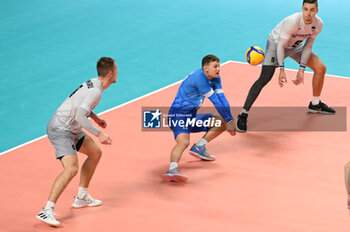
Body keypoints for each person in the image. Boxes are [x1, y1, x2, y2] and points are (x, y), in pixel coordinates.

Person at [36, 57, 117, 227]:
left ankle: (81, 197)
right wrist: (99, 133)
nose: (117, 73)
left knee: (95, 153)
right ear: (110, 73)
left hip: (71, 127)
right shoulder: (96, 91)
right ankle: (47, 210)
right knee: (71, 168)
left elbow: (81, 106)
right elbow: (80, 116)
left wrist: (95, 118)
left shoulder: (94, 83)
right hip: (60, 128)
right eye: (116, 70)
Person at [236, 0, 335, 133]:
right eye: (305, 9)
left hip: (296, 46)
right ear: (302, 9)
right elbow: (281, 46)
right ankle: (243, 114)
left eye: (312, 10)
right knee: (265, 78)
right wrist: (281, 69)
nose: (308, 13)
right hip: (276, 44)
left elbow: (308, 46)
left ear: (316, 10)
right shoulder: (293, 22)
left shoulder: (318, 24)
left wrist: (302, 69)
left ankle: (315, 104)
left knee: (321, 68)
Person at [163, 55, 236, 182]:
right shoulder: (199, 78)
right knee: (183, 142)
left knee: (222, 121)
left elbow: (222, 99)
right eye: (215, 66)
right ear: (205, 68)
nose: (218, 69)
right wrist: (230, 121)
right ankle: (172, 169)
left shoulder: (215, 78)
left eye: (219, 66)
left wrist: (230, 119)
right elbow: (215, 101)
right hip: (178, 115)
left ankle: (199, 147)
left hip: (192, 116)